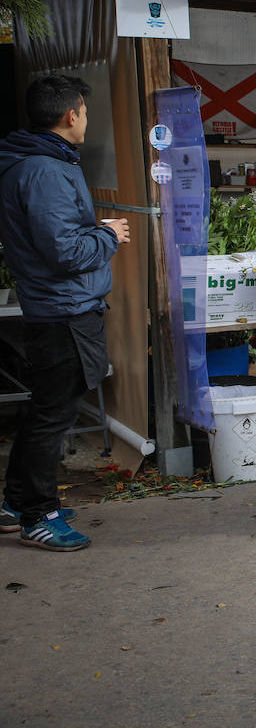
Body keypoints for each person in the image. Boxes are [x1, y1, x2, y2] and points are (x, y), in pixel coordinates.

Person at [0, 75, 130, 551]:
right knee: (52, 416)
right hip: (63, 310)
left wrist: (92, 231)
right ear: (71, 115)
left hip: (58, 305)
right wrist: (108, 235)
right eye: (85, 112)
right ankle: (38, 513)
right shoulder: (45, 171)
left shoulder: (38, 162)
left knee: (46, 410)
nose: (86, 120)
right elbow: (64, 252)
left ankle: (16, 504)